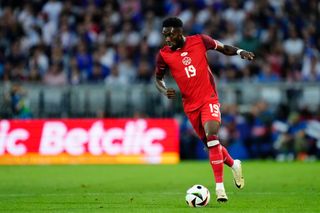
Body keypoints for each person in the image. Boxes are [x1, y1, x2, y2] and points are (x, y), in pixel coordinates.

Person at [154, 17, 255, 202]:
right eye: (164, 35)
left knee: (212, 137)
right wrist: (163, 89)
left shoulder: (200, 40)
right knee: (212, 146)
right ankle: (234, 164)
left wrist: (240, 51)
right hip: (190, 106)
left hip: (209, 99)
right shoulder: (164, 54)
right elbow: (158, 78)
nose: (167, 38)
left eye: (170, 34)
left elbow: (224, 48)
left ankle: (220, 189)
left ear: (179, 32)